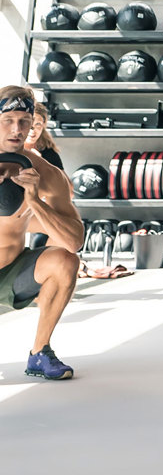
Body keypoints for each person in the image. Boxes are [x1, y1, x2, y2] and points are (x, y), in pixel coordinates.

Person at [0, 86, 84, 380]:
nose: (17, 129)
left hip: (10, 273)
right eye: (8, 120)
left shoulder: (45, 173)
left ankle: (40, 352)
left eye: (24, 121)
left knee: (65, 261)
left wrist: (35, 201)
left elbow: (74, 241)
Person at [25, 103, 63, 249]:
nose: (33, 130)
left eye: (38, 125)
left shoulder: (48, 154)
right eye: (29, 124)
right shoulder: (7, 150)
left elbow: (68, 190)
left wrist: (42, 165)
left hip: (38, 211)